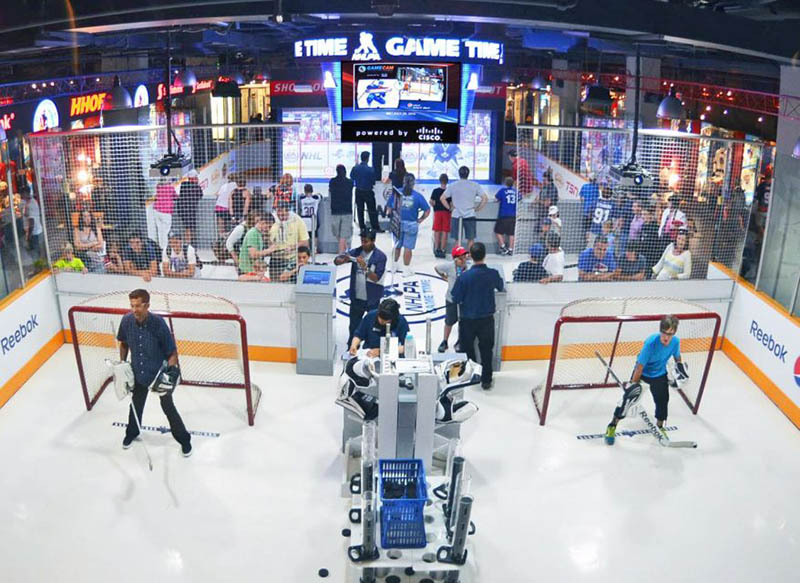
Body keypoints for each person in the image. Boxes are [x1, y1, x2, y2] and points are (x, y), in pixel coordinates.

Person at [117, 288, 192, 457]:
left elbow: (171, 351)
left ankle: (184, 439)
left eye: (138, 306)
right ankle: (132, 433)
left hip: (158, 374)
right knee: (136, 404)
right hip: (138, 371)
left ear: (147, 305)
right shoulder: (126, 320)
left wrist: (172, 371)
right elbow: (123, 343)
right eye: (132, 305)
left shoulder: (158, 324)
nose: (134, 310)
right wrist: (122, 364)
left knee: (168, 406)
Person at [604, 315, 689, 445]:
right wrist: (633, 385)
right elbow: (640, 366)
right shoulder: (651, 343)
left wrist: (680, 369)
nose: (667, 337)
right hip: (643, 373)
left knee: (662, 401)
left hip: (660, 374)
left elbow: (677, 357)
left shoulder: (675, 342)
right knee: (628, 401)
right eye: (664, 333)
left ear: (674, 333)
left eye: (670, 334)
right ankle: (612, 426)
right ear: (661, 331)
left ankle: (660, 427)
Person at [451, 242, 504, 389]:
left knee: (468, 348)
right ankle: (486, 379)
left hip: (467, 319)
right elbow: (500, 286)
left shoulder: (464, 277)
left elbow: (455, 298)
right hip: (486, 319)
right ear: (484, 255)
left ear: (470, 256)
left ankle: (473, 375)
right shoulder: (492, 274)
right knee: (487, 350)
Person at [334, 230, 387, 346]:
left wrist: (364, 267)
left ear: (373, 241)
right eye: (362, 241)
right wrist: (343, 260)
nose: (363, 244)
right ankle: (352, 347)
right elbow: (336, 261)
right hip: (356, 298)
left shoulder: (380, 257)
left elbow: (376, 278)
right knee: (353, 325)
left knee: (374, 326)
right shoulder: (357, 251)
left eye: (366, 241)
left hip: (372, 299)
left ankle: (372, 347)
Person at [386, 173, 430, 275]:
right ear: (413, 183)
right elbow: (427, 210)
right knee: (408, 247)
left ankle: (394, 266)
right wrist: (420, 219)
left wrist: (392, 215)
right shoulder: (418, 196)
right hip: (411, 224)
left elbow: (389, 207)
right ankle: (406, 269)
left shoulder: (396, 193)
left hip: (398, 223)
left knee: (397, 246)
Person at [441, 166, 488, 249]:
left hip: (456, 214)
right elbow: (485, 198)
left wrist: (449, 208)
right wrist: (478, 208)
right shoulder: (474, 185)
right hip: (470, 214)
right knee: (471, 238)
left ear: (459, 174)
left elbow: (442, 198)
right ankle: (469, 256)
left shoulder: (453, 185)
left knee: (457, 239)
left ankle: (457, 257)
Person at [434, 245, 469, 353]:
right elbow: (437, 268)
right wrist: (445, 278)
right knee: (449, 321)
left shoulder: (469, 267)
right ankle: (445, 341)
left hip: (464, 300)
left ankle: (460, 340)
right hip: (451, 298)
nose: (463, 259)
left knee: (463, 321)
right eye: (460, 257)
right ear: (455, 259)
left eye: (464, 256)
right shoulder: (449, 266)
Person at [269, 202, 309, 281]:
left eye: (283, 215)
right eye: (279, 215)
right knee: (274, 285)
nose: (281, 217)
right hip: (275, 259)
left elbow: (305, 242)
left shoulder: (297, 220)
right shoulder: (271, 220)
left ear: (288, 212)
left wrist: (293, 247)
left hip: (292, 259)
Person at [351, 151, 381, 232]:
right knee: (372, 210)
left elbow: (352, 177)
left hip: (358, 191)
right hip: (368, 191)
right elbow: (373, 181)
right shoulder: (370, 170)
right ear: (368, 159)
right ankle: (375, 227)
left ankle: (362, 227)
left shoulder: (355, 168)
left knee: (360, 209)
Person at [329, 164, 355, 254]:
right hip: (346, 211)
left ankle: (341, 253)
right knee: (342, 234)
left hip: (336, 211)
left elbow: (330, 192)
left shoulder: (332, 182)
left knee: (339, 234)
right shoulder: (350, 182)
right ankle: (345, 248)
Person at [175, 169, 203, 244]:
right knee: (189, 228)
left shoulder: (183, 185)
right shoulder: (195, 187)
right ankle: (189, 244)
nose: (197, 178)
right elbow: (200, 195)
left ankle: (189, 243)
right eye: (196, 177)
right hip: (190, 211)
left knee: (188, 228)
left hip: (183, 210)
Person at [588, 184, 619, 248]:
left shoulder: (596, 201)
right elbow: (616, 218)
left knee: (598, 248)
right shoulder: (613, 204)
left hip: (601, 230)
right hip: (597, 229)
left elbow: (590, 214)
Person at [494, 177, 517, 255]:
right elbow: (520, 198)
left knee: (498, 231)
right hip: (513, 215)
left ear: (505, 183)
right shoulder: (516, 192)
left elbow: (496, 198)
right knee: (511, 233)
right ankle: (511, 249)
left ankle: (503, 247)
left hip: (503, 215)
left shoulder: (502, 191)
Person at [430, 173, 451, 258]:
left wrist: (435, 205)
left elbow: (431, 201)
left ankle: (436, 248)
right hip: (446, 213)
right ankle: (443, 249)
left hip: (437, 212)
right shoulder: (449, 191)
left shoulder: (435, 191)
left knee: (437, 230)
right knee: (444, 231)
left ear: (440, 181)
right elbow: (451, 204)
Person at [152, 178, 177, 251]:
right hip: (166, 212)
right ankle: (165, 248)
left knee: (160, 230)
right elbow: (175, 196)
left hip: (156, 210)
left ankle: (161, 247)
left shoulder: (158, 187)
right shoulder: (170, 188)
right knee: (166, 231)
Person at [21, 189, 44, 263]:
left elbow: (32, 221)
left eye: (22, 194)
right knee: (37, 250)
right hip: (36, 230)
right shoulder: (31, 201)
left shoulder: (30, 205)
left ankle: (38, 267)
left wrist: (29, 236)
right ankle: (39, 265)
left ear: (26, 193)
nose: (22, 196)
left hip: (34, 232)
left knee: (34, 251)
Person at [578, 175, 601, 247]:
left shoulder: (584, 186)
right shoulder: (596, 187)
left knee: (585, 229)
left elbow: (581, 198)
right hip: (594, 213)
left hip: (586, 211)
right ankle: (590, 244)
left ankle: (585, 244)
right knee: (591, 229)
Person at [298, 184, 321, 250]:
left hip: (304, 218)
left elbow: (300, 196)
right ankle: (314, 249)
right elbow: (320, 195)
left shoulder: (302, 199)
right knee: (314, 234)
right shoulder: (316, 198)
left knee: (306, 235)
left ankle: (307, 249)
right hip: (313, 218)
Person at [215, 165, 237, 235]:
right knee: (231, 223)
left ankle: (221, 236)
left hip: (218, 207)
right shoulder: (235, 185)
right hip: (227, 207)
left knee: (221, 224)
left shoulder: (224, 185)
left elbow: (217, 194)